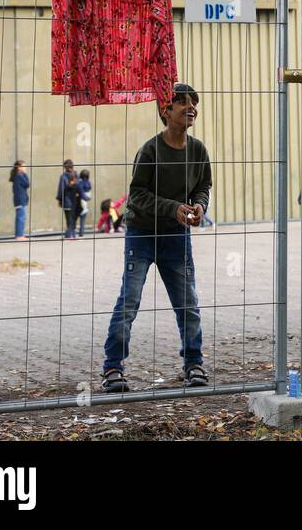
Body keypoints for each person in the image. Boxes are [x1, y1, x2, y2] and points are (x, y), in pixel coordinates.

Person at [100, 83, 211, 392]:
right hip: (142, 235)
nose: (191, 109)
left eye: (194, 104)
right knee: (130, 301)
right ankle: (112, 368)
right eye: (183, 104)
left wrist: (200, 206)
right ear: (166, 111)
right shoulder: (150, 150)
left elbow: (204, 186)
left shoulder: (198, 149)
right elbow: (136, 196)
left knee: (187, 303)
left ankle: (194, 363)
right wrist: (172, 207)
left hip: (177, 235)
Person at [56, 159, 80, 239]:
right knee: (70, 217)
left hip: (70, 200)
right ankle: (71, 235)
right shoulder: (73, 175)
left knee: (70, 217)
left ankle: (70, 235)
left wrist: (59, 200)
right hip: (71, 200)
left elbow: (61, 189)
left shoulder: (67, 176)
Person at [9, 160, 30, 240]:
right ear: (19, 168)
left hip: (20, 200)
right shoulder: (19, 176)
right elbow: (27, 184)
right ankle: (19, 236)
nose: (25, 168)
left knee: (21, 217)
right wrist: (25, 174)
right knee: (21, 217)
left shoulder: (18, 175)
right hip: (20, 200)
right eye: (24, 166)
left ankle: (20, 235)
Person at [76, 169, 93, 235]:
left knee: (79, 216)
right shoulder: (88, 182)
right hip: (85, 200)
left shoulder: (80, 182)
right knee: (83, 216)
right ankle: (81, 232)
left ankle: (80, 232)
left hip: (81, 200)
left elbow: (81, 191)